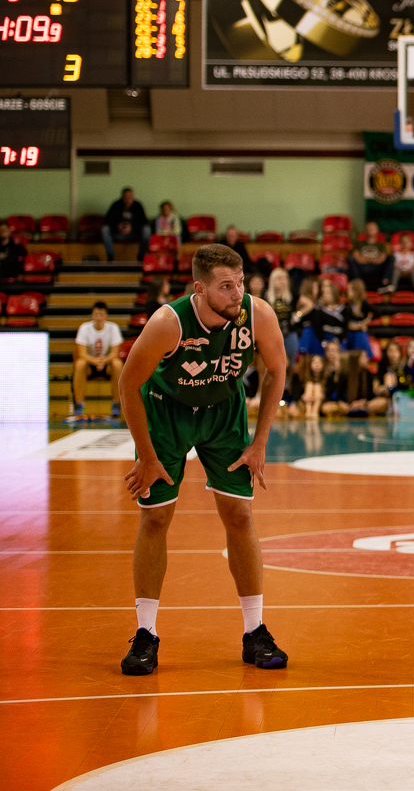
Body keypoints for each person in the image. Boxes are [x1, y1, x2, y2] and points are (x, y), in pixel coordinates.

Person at [118, 244, 290, 676]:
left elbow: (277, 369)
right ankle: (145, 634)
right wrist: (146, 455)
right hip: (167, 413)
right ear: (200, 289)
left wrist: (260, 443)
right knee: (156, 519)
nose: (237, 294)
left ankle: (255, 631)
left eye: (240, 283)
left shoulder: (258, 315)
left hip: (223, 413)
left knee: (240, 515)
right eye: (226, 286)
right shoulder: (168, 323)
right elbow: (128, 385)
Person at [72, 301, 124, 420]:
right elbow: (82, 353)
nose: (99, 318)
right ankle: (79, 404)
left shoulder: (113, 328)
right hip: (90, 364)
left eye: (101, 314)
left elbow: (115, 353)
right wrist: (95, 361)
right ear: (92, 315)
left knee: (117, 364)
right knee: (79, 364)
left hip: (107, 364)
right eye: (96, 314)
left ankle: (116, 404)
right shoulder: (84, 328)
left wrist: (103, 361)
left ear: (106, 316)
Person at [103, 187, 149, 261]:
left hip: (133, 233)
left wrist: (132, 227)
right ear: (122, 197)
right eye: (125, 197)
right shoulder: (115, 205)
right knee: (105, 229)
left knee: (147, 229)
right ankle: (110, 256)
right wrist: (117, 226)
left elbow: (144, 221)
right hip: (118, 233)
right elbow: (108, 220)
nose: (127, 200)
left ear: (133, 197)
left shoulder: (138, 206)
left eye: (129, 197)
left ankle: (141, 256)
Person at [265, 268, 298, 364]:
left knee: (290, 362)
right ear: (273, 280)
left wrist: (297, 314)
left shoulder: (291, 295)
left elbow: (309, 304)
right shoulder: (266, 295)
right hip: (272, 334)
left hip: (289, 333)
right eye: (280, 278)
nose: (283, 281)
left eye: (285, 278)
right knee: (273, 362)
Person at [351, 223, 394, 291]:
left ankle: (385, 284)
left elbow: (381, 259)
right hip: (362, 267)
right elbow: (357, 258)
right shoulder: (358, 243)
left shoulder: (381, 245)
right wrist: (375, 259)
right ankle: (358, 283)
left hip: (377, 268)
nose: (370, 230)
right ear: (365, 231)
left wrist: (365, 258)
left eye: (372, 229)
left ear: (377, 231)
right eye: (368, 229)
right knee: (351, 259)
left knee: (391, 258)